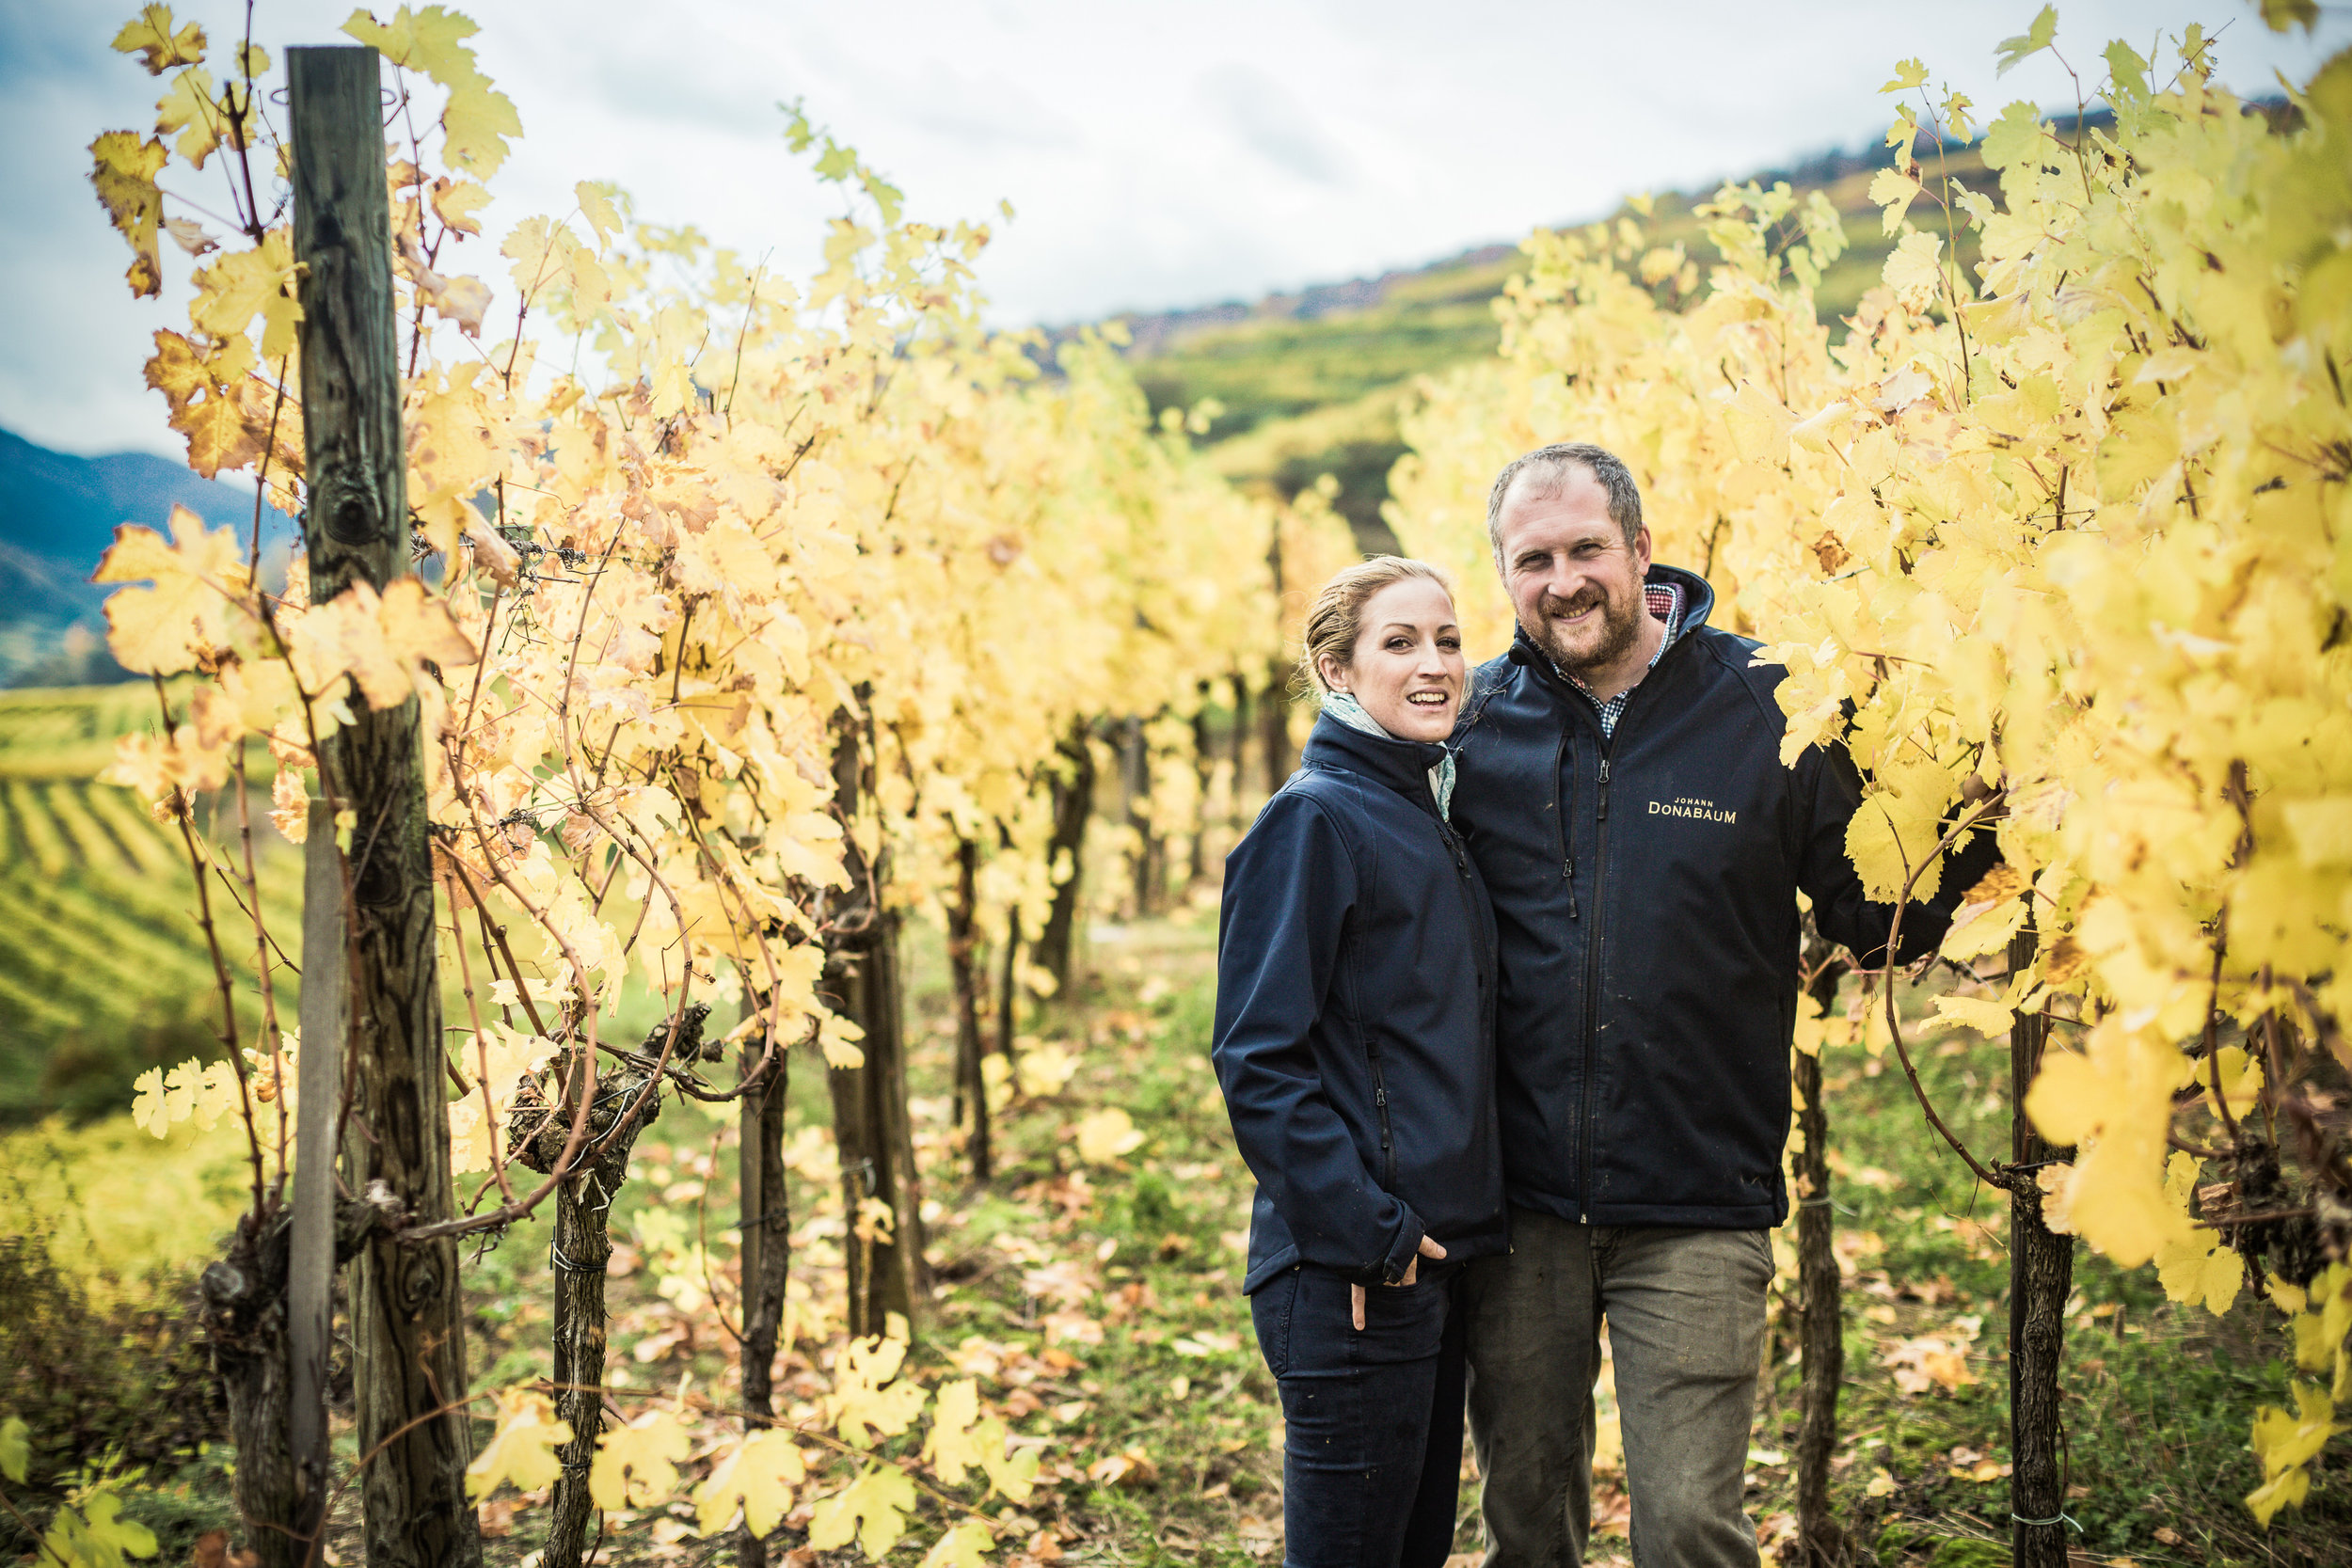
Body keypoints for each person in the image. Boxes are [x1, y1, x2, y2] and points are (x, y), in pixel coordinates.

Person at [1449, 443, 1998, 1567]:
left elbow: (1873, 908)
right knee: (1523, 1526)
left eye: (1585, 549)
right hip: (1515, 1209)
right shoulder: (1466, 725)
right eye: (1532, 558)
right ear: (1504, 574)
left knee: (1695, 1529)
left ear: (1642, 551)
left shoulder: (1768, 703)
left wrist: (1985, 810)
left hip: (1698, 1195)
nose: (1562, 580)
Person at [1213, 556, 1509, 1568]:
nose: (1433, 664)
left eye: (1446, 639)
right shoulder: (1316, 817)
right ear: (1337, 670)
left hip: (1423, 1266)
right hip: (1353, 1276)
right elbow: (1257, 1055)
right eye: (1399, 642)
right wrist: (1370, 1231)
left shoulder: (1419, 807)